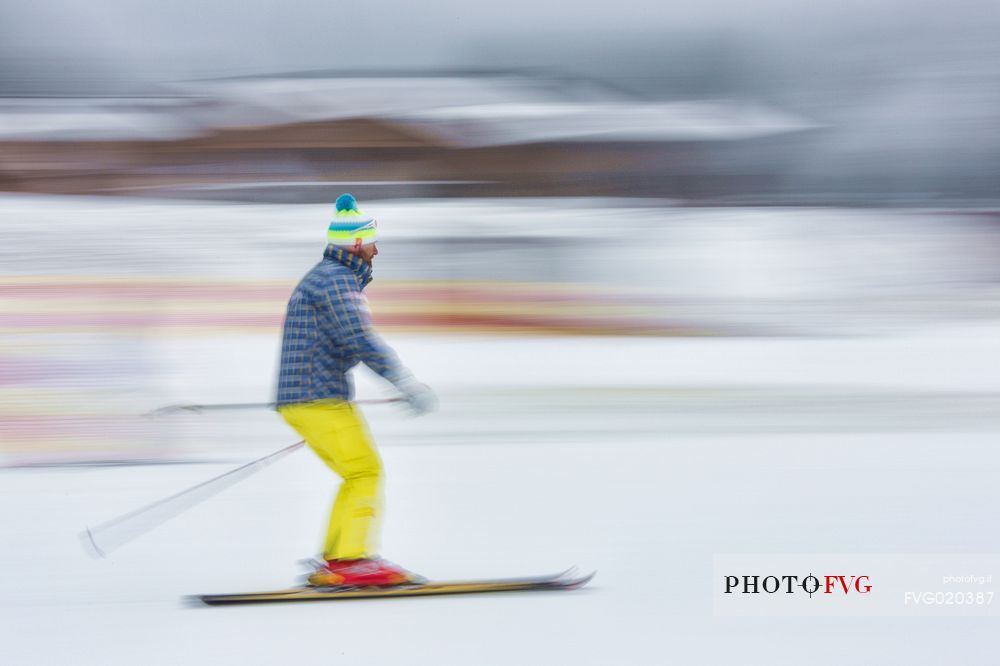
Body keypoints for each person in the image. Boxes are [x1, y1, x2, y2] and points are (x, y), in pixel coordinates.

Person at [276, 193, 435, 587]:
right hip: (317, 397)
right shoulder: (336, 281)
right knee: (364, 472)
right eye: (373, 242)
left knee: (356, 473)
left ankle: (337, 561)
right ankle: (350, 562)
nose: (377, 251)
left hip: (309, 396)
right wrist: (403, 380)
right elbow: (359, 338)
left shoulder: (326, 277)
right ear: (358, 244)